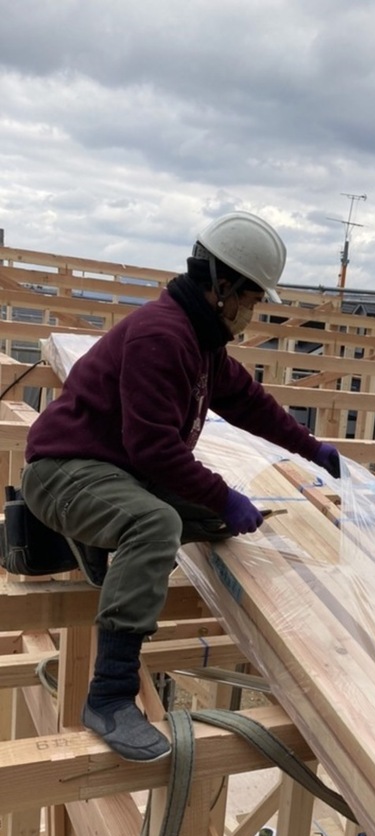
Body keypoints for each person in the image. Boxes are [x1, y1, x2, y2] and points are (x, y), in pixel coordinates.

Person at [22, 211, 342, 760]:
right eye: (253, 298)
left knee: (218, 521)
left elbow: (247, 402)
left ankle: (105, 551)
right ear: (221, 287)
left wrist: (310, 448)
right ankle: (110, 696)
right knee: (158, 522)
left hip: (115, 471)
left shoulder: (202, 343)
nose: (254, 310)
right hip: (63, 471)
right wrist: (222, 492)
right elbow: (154, 449)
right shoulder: (162, 336)